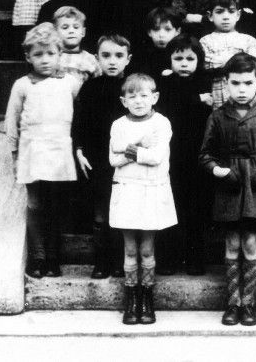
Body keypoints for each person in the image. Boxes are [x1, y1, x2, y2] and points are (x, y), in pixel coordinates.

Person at [199, 53, 256, 327]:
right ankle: (232, 302)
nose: (241, 89)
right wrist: (218, 170)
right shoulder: (217, 117)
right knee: (232, 243)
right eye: (235, 83)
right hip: (230, 185)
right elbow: (205, 154)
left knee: (250, 242)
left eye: (247, 83)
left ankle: (248, 303)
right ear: (225, 83)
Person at [4, 23, 84, 278]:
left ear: (60, 53)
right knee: (35, 204)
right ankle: (37, 257)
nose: (45, 60)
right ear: (28, 57)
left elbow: (80, 116)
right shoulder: (22, 85)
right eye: (38, 55)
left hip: (60, 149)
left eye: (51, 53)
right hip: (32, 149)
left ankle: (53, 256)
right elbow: (11, 120)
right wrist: (15, 155)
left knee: (56, 205)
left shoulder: (71, 83)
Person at [109, 73, 176, 325]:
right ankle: (131, 300)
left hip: (152, 188)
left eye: (144, 95)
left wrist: (128, 150)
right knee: (129, 249)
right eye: (132, 96)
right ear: (123, 101)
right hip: (127, 188)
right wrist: (139, 144)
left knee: (147, 248)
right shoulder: (118, 125)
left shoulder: (161, 123)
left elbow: (156, 157)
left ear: (154, 97)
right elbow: (113, 160)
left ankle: (146, 299)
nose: (138, 101)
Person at [71, 34, 132, 279]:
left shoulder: (131, 88)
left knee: (121, 210)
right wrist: (79, 150)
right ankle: (101, 261)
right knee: (100, 211)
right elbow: (80, 121)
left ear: (128, 59)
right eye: (106, 56)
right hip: (96, 157)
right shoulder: (90, 87)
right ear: (97, 59)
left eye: (119, 56)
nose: (112, 61)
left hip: (124, 159)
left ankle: (119, 261)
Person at [155, 35, 213, 276]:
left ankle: (195, 258)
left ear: (199, 61)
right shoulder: (165, 82)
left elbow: (207, 108)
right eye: (178, 58)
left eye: (190, 58)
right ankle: (169, 258)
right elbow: (167, 105)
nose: (184, 63)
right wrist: (195, 99)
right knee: (170, 206)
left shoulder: (204, 81)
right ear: (169, 60)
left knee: (196, 209)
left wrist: (197, 98)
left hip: (198, 155)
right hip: (171, 156)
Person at [199, 0, 256, 109]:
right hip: (217, 99)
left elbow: (253, 66)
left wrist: (222, 62)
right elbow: (208, 67)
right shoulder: (205, 41)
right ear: (210, 16)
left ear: (238, 15)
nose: (226, 16)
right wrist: (238, 59)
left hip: (245, 95)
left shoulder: (248, 40)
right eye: (220, 12)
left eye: (231, 11)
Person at [128, 7, 182, 81]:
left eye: (167, 29)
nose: (161, 35)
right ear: (149, 32)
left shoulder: (182, 54)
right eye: (156, 29)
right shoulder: (141, 55)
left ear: (177, 31)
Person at [52, 6, 100, 85]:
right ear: (56, 32)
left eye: (76, 27)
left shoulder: (90, 60)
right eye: (65, 27)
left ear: (83, 32)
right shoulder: (53, 57)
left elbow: (98, 84)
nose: (71, 31)